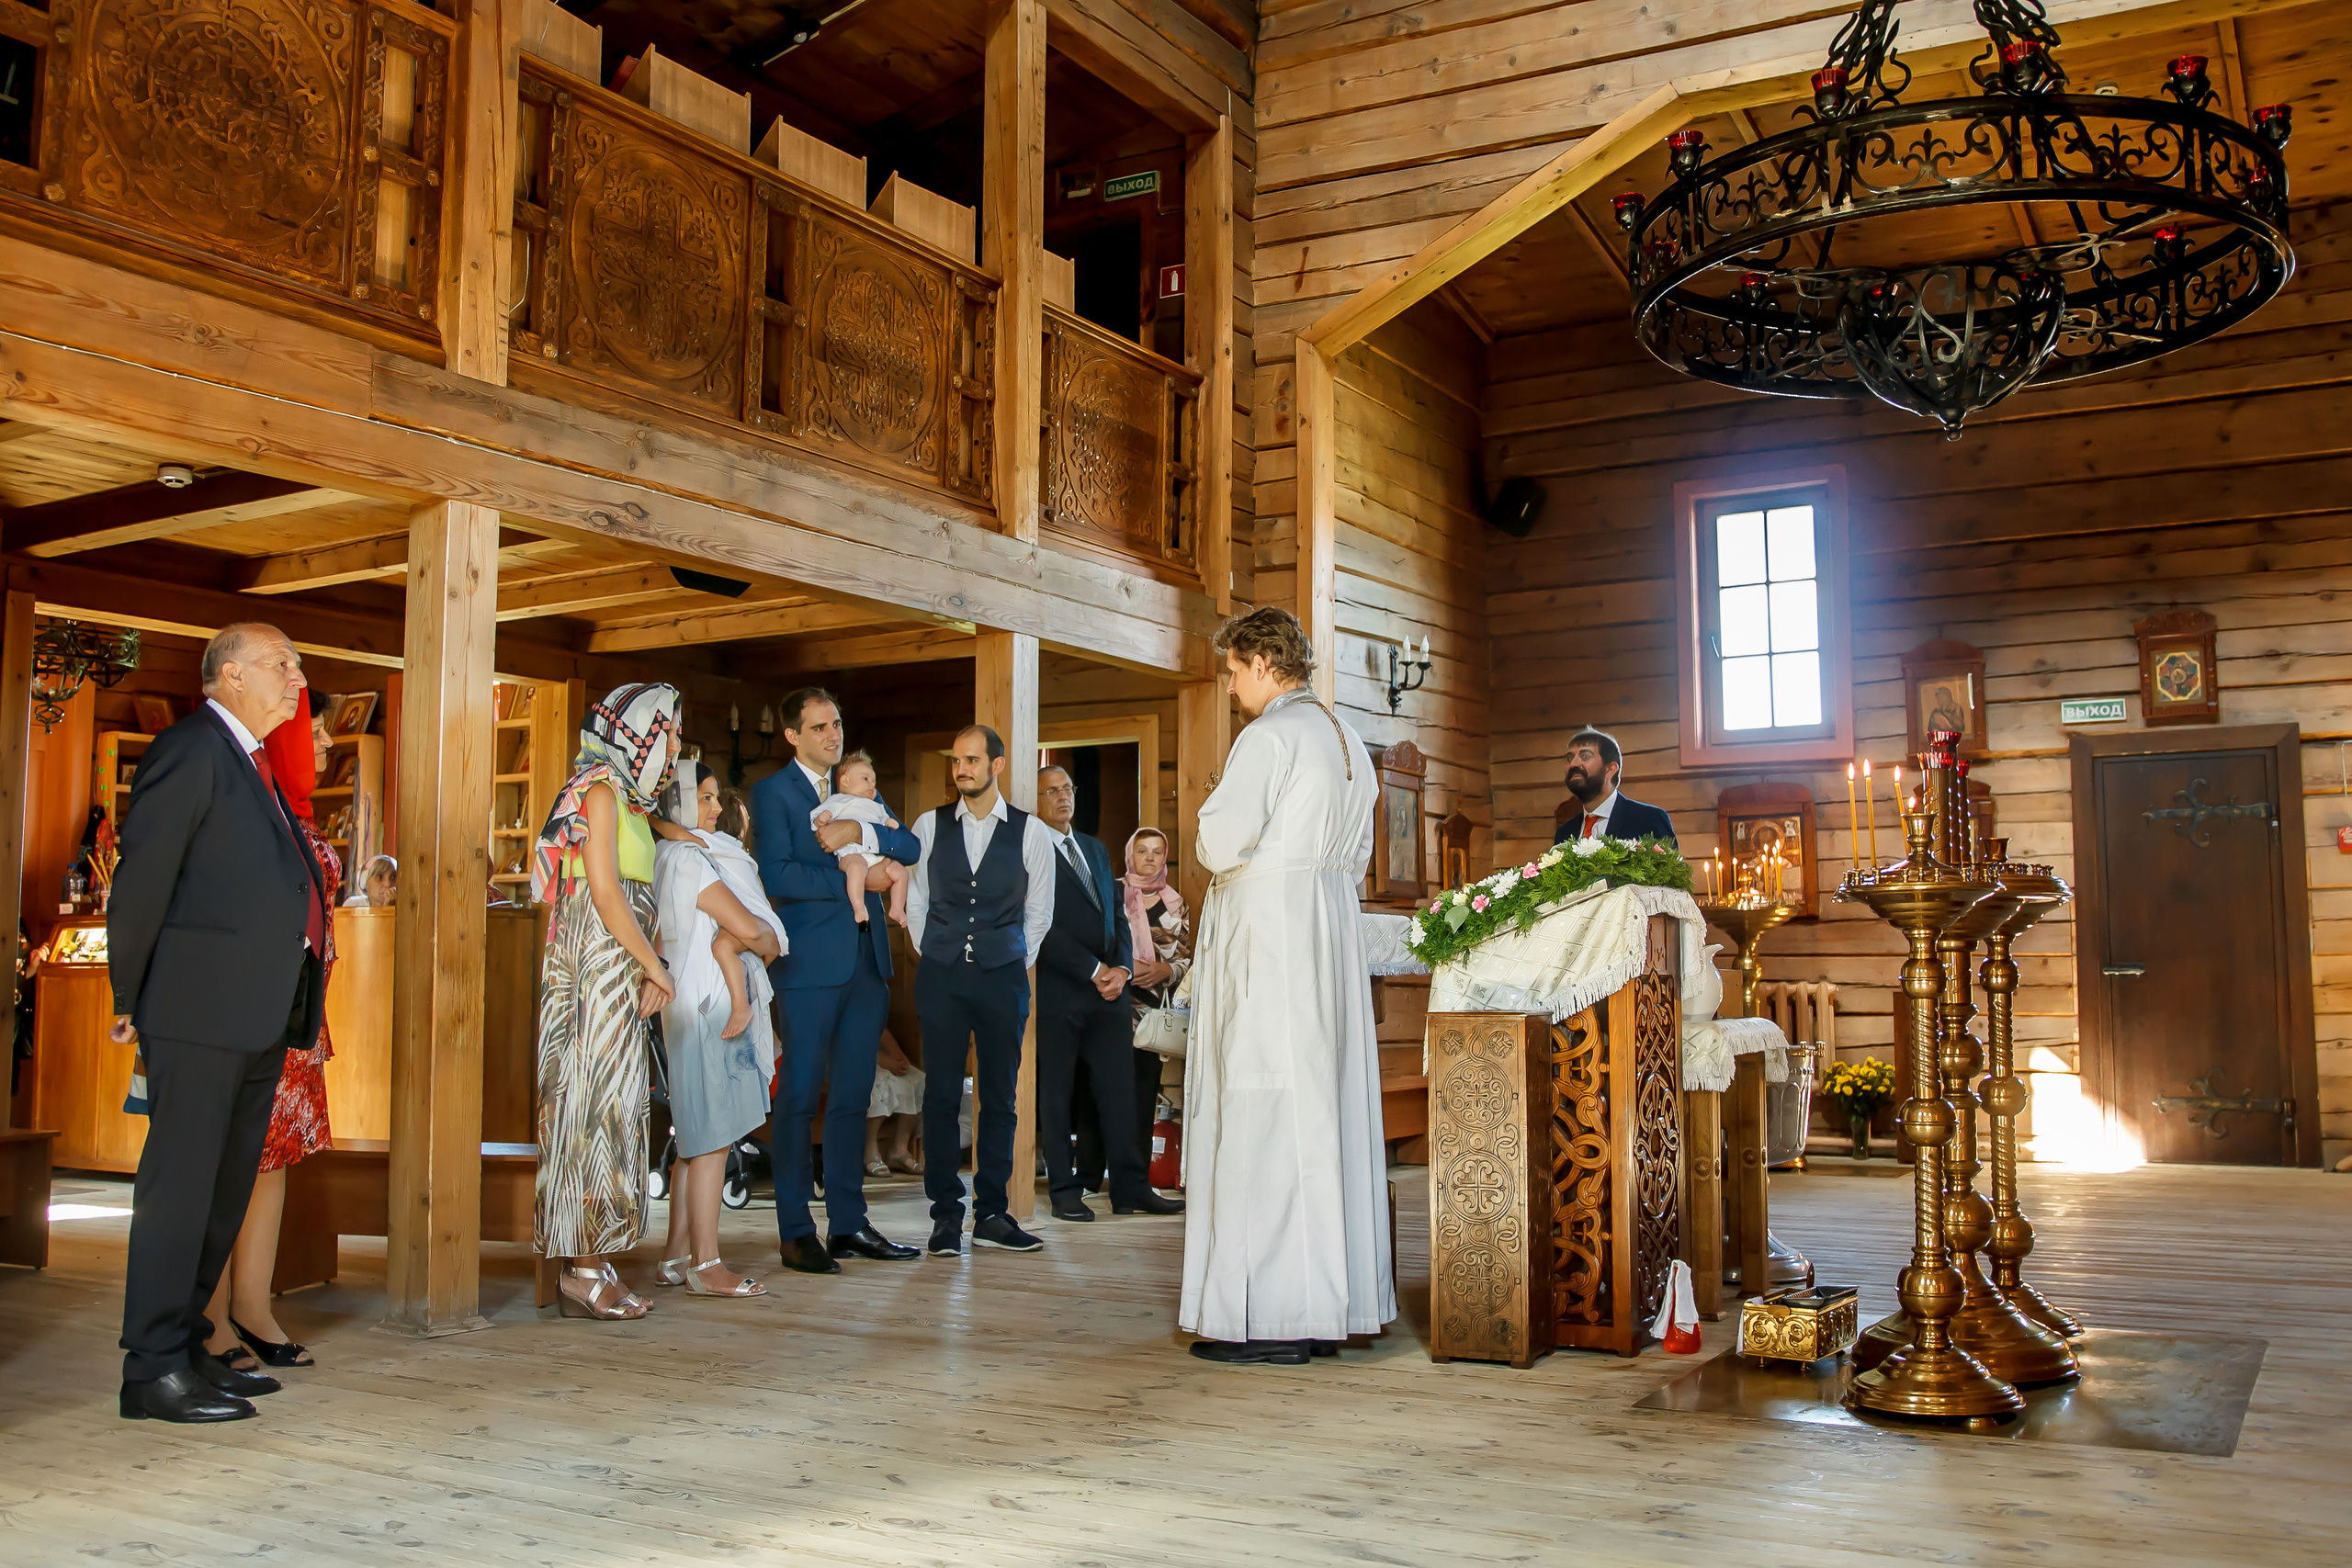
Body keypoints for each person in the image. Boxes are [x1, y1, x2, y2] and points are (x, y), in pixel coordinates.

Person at [108, 622, 330, 1422]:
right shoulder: (192, 749)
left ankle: (186, 1345)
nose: (296, 677)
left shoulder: (252, 762)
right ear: (229, 673)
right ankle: (151, 1369)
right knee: (179, 1192)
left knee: (222, 1192)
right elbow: (142, 882)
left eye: (296, 662)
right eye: (283, 663)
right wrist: (126, 997)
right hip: (197, 1010)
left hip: (257, 1013)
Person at [1182, 607, 1393, 1366]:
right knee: (1322, 1110)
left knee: (1264, 1108)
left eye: (1235, 669)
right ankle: (1327, 1304)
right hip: (1326, 929)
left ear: (1264, 663)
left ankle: (1273, 1316)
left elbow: (1219, 841)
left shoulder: (1267, 736)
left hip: (1273, 936)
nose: (1233, 684)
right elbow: (1358, 849)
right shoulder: (1347, 743)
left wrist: (1210, 808)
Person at [751, 688, 922, 1274]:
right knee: (799, 1098)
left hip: (867, 965)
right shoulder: (774, 794)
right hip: (807, 965)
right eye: (820, 726)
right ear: (793, 735)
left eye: (838, 723)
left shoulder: (858, 788)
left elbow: (908, 843)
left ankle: (849, 1223)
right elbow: (777, 873)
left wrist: (859, 838)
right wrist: (863, 880)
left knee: (855, 1098)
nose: (833, 735)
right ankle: (797, 1229)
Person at [529, 682, 682, 1322]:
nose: (673, 747)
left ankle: (598, 1253)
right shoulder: (596, 792)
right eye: (666, 732)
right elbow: (605, 891)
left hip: (624, 966)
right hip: (595, 966)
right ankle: (581, 1265)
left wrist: (652, 967)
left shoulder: (629, 801)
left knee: (619, 1108)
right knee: (589, 1107)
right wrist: (656, 967)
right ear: (635, 733)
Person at [198, 690, 340, 1375]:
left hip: (296, 1019)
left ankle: (254, 1306)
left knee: (273, 1164)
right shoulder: (248, 803)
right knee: (225, 1167)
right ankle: (209, 1316)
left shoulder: (295, 811)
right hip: (243, 1013)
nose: (325, 744)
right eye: (313, 732)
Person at [908, 725, 1057, 1257]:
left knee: (1000, 1096)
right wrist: (935, 951)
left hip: (1003, 977)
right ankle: (945, 1216)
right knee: (941, 1096)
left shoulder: (1031, 832)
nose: (961, 769)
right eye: (956, 760)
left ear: (996, 765)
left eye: (971, 759)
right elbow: (916, 900)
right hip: (942, 976)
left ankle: (992, 1213)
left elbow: (1040, 911)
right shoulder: (928, 826)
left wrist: (1013, 956)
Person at [651, 762, 787, 1299]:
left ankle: (675, 1253)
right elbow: (750, 928)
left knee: (692, 1137)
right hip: (711, 1004)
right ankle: (706, 1266)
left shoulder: (664, 854)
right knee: (711, 1142)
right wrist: (766, 941)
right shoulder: (691, 862)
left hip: (683, 1003)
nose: (713, 809)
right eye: (703, 799)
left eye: (714, 799)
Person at [1034, 765, 1182, 1223]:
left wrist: (1119, 966)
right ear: (1037, 800)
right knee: (1057, 1093)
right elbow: (1039, 925)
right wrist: (1094, 968)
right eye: (1052, 791)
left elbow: (1117, 917)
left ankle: (1131, 1188)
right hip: (1062, 989)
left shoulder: (1094, 849)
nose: (1063, 797)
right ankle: (1064, 1189)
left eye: (1067, 788)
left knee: (1121, 1094)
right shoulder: (1032, 851)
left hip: (1110, 994)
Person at [811, 750, 910, 928]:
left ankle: (897, 907)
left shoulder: (876, 806)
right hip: (851, 853)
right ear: (845, 781)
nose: (871, 785)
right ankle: (858, 905)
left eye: (873, 781)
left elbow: (887, 823)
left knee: (901, 872)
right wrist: (822, 818)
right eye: (865, 779)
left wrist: (889, 823)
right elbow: (817, 816)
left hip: (876, 855)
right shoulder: (839, 800)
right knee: (856, 868)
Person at [1552, 727, 1677, 846]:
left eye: (1585, 756)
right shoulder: (1565, 833)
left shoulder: (1649, 820)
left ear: (1610, 769)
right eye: (1570, 758)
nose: (1573, 764)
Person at [865, 1027, 922, 1177]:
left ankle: (900, 1149)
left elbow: (882, 1030)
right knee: (880, 1083)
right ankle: (870, 1151)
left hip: (879, 1056)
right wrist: (883, 1061)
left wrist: (899, 1057)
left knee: (917, 1078)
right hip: (856, 1058)